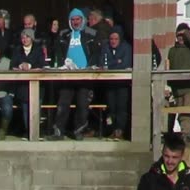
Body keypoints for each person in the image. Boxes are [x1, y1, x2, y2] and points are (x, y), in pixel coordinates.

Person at [49, 9, 102, 140]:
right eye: (73, 20)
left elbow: (97, 52)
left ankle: (79, 130)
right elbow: (58, 52)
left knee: (82, 104)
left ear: (82, 20)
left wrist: (91, 66)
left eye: (78, 19)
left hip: (84, 75)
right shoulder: (64, 34)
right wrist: (62, 65)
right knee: (63, 103)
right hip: (68, 75)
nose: (75, 22)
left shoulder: (91, 34)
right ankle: (59, 131)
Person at [167, 23, 190, 139]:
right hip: (177, 88)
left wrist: (186, 33)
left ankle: (186, 138)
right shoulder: (172, 51)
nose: (181, 37)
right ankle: (172, 136)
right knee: (176, 115)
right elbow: (169, 68)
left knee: (185, 115)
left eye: (184, 35)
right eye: (179, 35)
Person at [101, 29, 132, 139]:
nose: (113, 41)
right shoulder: (105, 48)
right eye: (111, 39)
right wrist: (116, 61)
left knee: (121, 108)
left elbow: (126, 64)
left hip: (122, 83)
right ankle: (111, 129)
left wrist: (112, 64)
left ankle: (120, 130)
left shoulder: (126, 48)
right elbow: (103, 64)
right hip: (109, 83)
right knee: (111, 107)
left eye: (116, 39)